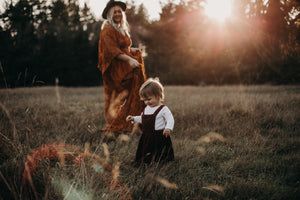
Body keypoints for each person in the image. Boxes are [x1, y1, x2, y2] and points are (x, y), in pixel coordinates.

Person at [98, 0, 147, 134]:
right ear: (109, 14)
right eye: (115, 12)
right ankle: (119, 125)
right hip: (117, 69)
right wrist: (129, 59)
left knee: (132, 94)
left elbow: (123, 47)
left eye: (120, 11)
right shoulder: (107, 28)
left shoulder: (119, 27)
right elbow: (111, 50)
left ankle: (132, 122)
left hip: (125, 66)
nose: (118, 14)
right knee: (119, 97)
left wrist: (131, 51)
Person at [126, 78, 174, 164]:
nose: (147, 102)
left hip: (159, 136)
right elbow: (142, 118)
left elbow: (170, 119)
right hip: (147, 136)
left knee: (160, 153)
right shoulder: (146, 109)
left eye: (149, 99)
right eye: (144, 100)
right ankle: (146, 164)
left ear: (159, 96)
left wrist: (168, 128)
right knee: (146, 152)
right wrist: (133, 118)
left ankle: (162, 164)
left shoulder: (163, 109)